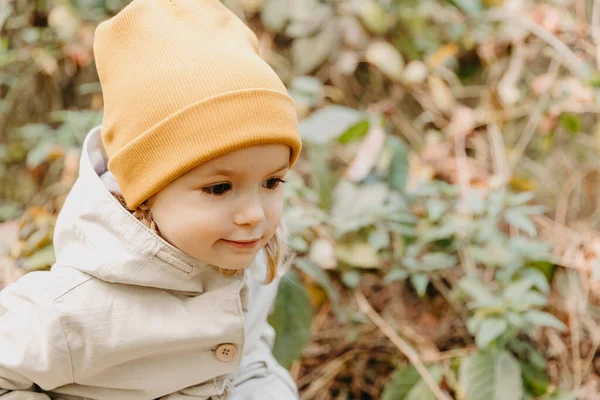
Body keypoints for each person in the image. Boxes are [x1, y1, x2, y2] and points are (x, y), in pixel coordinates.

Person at [0, 0, 303, 398]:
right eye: (218, 188)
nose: (253, 215)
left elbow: (248, 356)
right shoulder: (73, 310)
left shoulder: (245, 263)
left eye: (272, 182)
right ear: (144, 193)